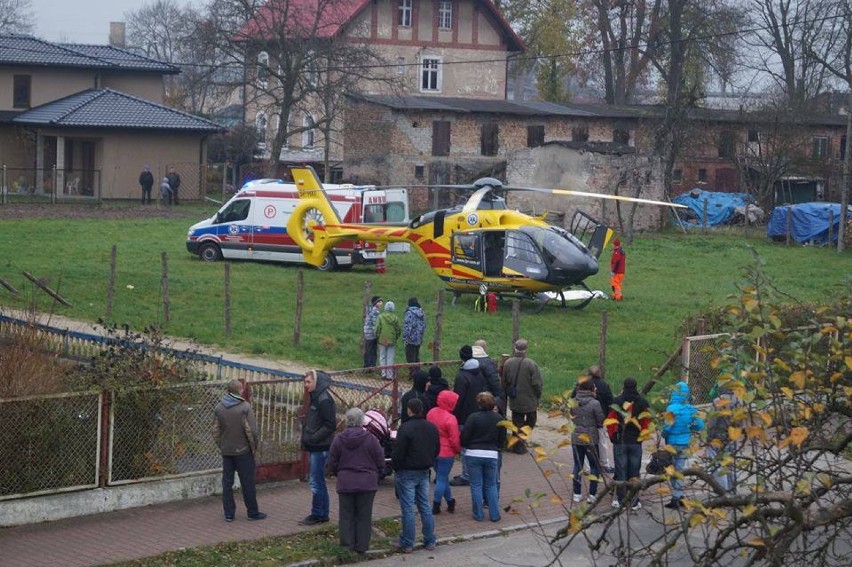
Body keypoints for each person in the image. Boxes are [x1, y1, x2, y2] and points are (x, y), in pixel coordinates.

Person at [328, 407, 385, 555]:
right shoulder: (371, 439)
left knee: (346, 515)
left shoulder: (339, 439)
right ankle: (362, 545)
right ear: (362, 421)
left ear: (347, 420)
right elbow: (380, 460)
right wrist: (376, 475)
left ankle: (347, 545)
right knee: (364, 515)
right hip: (367, 482)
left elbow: (332, 462)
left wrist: (339, 473)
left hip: (346, 482)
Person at [391, 398, 439, 554]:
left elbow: (398, 452)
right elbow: (436, 448)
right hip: (424, 470)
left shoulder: (405, 428)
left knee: (408, 508)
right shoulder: (431, 427)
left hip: (407, 471)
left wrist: (396, 467)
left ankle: (407, 542)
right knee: (424, 505)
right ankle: (430, 539)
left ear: (409, 410)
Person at [214, 379, 267, 521]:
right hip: (243, 451)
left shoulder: (219, 407)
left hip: (227, 451)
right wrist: (254, 446)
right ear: (240, 390)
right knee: (247, 482)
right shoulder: (245, 407)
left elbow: (215, 431)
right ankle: (253, 512)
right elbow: (253, 431)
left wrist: (222, 445)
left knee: (227, 483)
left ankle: (229, 514)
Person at [606, 377, 650, 511]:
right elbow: (646, 423)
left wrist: (613, 437)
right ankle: (635, 501)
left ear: (624, 386)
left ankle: (621, 501)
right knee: (634, 471)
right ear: (636, 386)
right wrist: (641, 437)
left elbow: (611, 421)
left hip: (621, 441)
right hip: (636, 442)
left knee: (621, 471)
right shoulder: (642, 402)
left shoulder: (617, 402)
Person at [461, 392, 506, 522]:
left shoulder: (473, 417)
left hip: (473, 453)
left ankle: (478, 514)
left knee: (476, 485)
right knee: (491, 484)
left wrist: (467, 446)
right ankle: (494, 514)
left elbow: (465, 436)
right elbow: (502, 439)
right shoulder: (499, 419)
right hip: (492, 453)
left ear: (479, 403)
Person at [299, 369, 337, 525]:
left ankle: (318, 514)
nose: (306, 385)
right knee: (317, 481)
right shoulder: (316, 397)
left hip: (320, 447)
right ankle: (321, 512)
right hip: (316, 446)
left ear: (316, 382)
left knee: (316, 481)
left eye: (308, 382)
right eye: (305, 382)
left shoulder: (324, 400)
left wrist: (313, 438)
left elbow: (330, 425)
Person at [662, 380, 705, 509]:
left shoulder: (671, 408)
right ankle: (679, 495)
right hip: (685, 442)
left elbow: (667, 427)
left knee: (671, 469)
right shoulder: (691, 409)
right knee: (680, 469)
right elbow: (700, 425)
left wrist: (664, 435)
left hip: (672, 442)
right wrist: (689, 428)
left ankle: (676, 496)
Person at [451, 345, 488, 486]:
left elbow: (458, 399)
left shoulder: (462, 376)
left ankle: (467, 475)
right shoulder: (479, 372)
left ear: (461, 356)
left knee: (465, 446)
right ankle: (474, 473)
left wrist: (455, 415)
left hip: (465, 416)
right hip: (477, 412)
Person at [500, 339, 543, 454]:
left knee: (517, 421)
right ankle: (520, 442)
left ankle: (516, 442)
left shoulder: (508, 363)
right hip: (529, 399)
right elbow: (537, 384)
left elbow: (504, 381)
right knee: (531, 421)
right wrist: (538, 396)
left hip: (515, 399)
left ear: (514, 348)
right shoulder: (531, 364)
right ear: (526, 349)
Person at [572, 365, 615, 473]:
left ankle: (586, 468)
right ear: (599, 373)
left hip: (582, 419)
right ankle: (604, 464)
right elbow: (610, 402)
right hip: (600, 419)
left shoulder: (581, 383)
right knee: (602, 442)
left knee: (584, 443)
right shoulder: (604, 385)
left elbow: (572, 398)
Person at [426, 389, 460, 515]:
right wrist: (457, 450)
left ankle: (450, 501)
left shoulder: (431, 413)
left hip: (433, 450)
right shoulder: (451, 419)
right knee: (442, 478)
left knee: (442, 477)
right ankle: (436, 504)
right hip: (446, 453)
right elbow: (454, 438)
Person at [705, 382, 742, 494]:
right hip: (732, 436)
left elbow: (712, 421)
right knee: (731, 463)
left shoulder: (718, 402)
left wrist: (708, 435)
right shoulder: (739, 401)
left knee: (717, 464)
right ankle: (732, 490)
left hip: (717, 436)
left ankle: (722, 491)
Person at [571, 379, 604, 504]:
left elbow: (571, 416)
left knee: (577, 465)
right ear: (591, 389)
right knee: (594, 466)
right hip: (591, 438)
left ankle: (577, 493)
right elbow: (600, 420)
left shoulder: (573, 402)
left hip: (576, 438)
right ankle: (592, 494)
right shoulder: (595, 403)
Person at [472, 339, 504, 415]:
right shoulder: (487, 363)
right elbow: (494, 380)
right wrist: (499, 395)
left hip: (471, 395)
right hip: (485, 395)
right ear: (484, 349)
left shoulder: (468, 361)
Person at [375, 301, 402, 380]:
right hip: (391, 340)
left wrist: (377, 336)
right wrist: (395, 337)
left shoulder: (380, 317)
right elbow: (399, 329)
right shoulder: (395, 318)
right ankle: (389, 375)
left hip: (382, 339)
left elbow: (377, 328)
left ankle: (383, 373)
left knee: (382, 356)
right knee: (390, 357)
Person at [402, 297, 426, 365]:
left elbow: (408, 327)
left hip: (410, 339)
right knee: (416, 356)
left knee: (410, 357)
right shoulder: (422, 313)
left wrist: (405, 338)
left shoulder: (409, 313)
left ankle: (413, 373)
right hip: (419, 338)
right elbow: (424, 325)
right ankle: (417, 371)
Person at [363, 296, 383, 368]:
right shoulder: (375, 312)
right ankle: (371, 367)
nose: (381, 303)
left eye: (381, 302)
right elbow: (375, 325)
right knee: (372, 351)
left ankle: (367, 366)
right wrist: (378, 335)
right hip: (372, 334)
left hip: (367, 333)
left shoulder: (371, 310)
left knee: (368, 350)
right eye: (379, 302)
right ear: (375, 303)